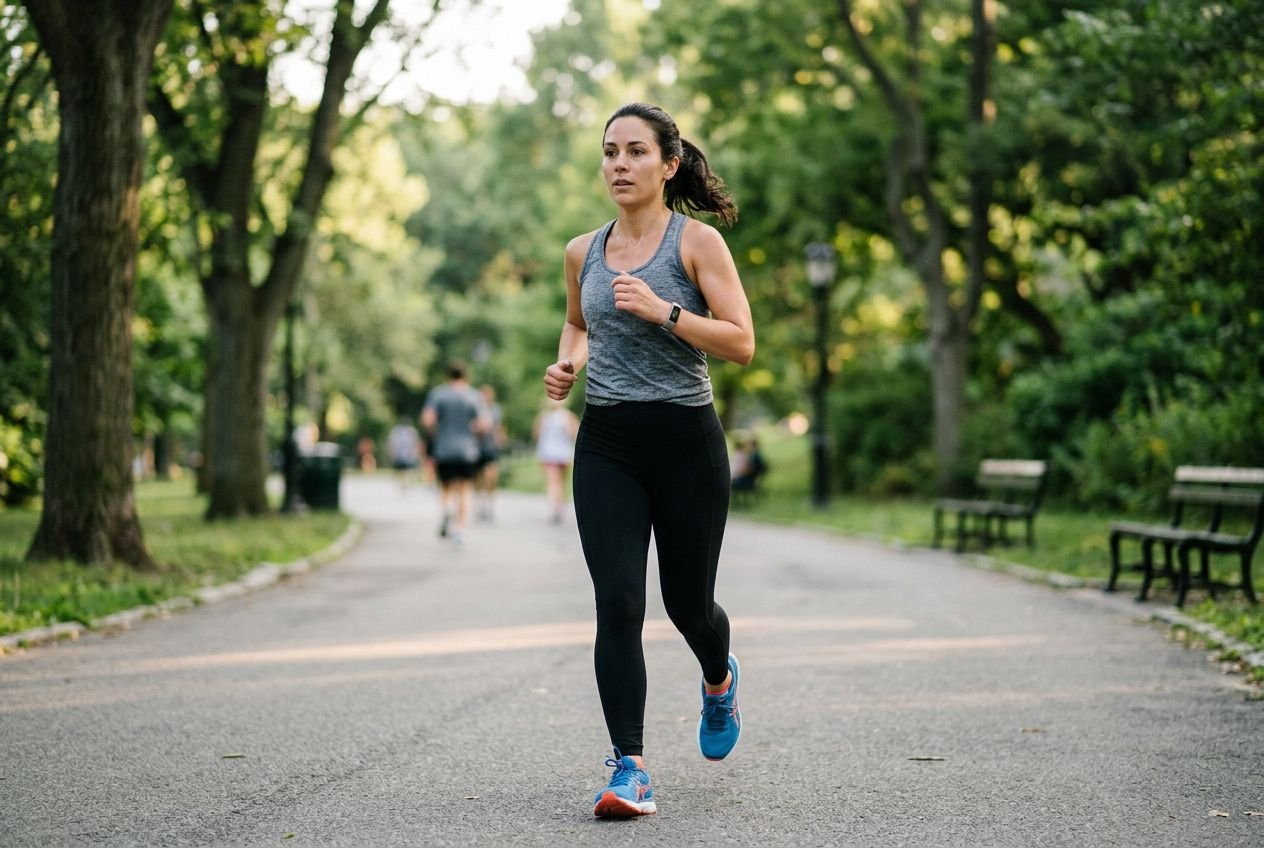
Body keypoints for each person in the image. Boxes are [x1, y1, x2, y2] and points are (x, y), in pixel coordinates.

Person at [542, 102, 755, 818]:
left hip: (686, 443)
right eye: (609, 152)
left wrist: (663, 310)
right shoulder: (582, 251)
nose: (619, 165)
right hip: (607, 443)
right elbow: (578, 323)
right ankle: (629, 767)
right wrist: (567, 364)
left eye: (635, 152)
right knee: (619, 604)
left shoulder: (696, 245)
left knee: (687, 605)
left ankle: (718, 677)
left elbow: (740, 341)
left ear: (668, 165)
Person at [421, 361, 490, 546]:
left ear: (448, 375)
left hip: (443, 449)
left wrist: (439, 430)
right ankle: (459, 530)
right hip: (467, 450)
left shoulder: (438, 394)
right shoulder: (474, 396)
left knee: (445, 487)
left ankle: (446, 511)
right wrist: (472, 429)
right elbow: (484, 424)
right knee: (465, 489)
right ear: (466, 375)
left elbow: (428, 420)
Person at [533, 398, 579, 523]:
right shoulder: (544, 417)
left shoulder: (568, 416)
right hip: (549, 454)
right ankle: (555, 509)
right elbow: (537, 435)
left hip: (563, 454)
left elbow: (574, 434)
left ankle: (559, 508)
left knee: (560, 482)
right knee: (554, 481)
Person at [474, 384, 507, 521]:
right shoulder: (475, 410)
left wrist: (501, 438)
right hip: (476, 448)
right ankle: (480, 505)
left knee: (491, 478)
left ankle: (490, 505)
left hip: (491, 447)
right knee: (478, 478)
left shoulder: (496, 410)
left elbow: (499, 426)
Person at [729, 433, 767, 505]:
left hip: (748, 479)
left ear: (752, 445)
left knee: (731, 483)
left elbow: (750, 469)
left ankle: (734, 503)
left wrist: (739, 473)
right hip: (750, 478)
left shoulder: (754, 455)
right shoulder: (754, 454)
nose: (747, 446)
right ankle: (734, 503)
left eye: (748, 444)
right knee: (731, 481)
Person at [386, 417, 422, 490]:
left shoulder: (397, 431)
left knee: (404, 470)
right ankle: (405, 484)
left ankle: (404, 484)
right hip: (406, 454)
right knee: (405, 470)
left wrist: (391, 453)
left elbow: (391, 443)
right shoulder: (411, 431)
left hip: (404, 454)